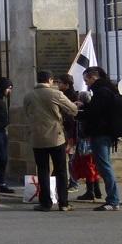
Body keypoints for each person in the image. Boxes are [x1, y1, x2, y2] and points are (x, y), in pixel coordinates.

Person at [23, 69, 79, 212]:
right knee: (60, 170)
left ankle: (45, 202)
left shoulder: (29, 96)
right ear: (50, 80)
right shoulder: (55, 94)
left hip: (37, 137)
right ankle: (63, 203)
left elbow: (27, 113)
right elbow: (73, 109)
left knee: (42, 170)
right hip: (56, 136)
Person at [78, 66, 122, 211]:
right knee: (103, 165)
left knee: (104, 166)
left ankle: (113, 200)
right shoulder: (105, 89)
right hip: (104, 132)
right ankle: (112, 199)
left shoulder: (101, 92)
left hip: (101, 133)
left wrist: (79, 111)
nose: (86, 83)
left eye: (87, 80)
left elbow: (95, 113)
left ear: (93, 78)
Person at [54, 73, 80, 191]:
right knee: (62, 158)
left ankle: (74, 183)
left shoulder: (72, 96)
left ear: (67, 84)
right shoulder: (61, 95)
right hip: (63, 130)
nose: (57, 85)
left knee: (71, 158)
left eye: (59, 83)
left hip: (70, 131)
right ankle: (55, 181)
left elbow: (72, 116)